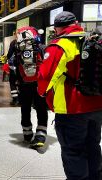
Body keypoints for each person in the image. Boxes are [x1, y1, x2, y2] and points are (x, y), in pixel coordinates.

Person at [38, 11, 102, 180]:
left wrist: (42, 94)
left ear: (57, 28)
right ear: (76, 23)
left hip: (71, 109)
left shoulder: (60, 45)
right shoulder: (92, 41)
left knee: (73, 151)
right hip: (97, 105)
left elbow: (45, 77)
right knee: (93, 146)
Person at [14, 26, 48, 148]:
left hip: (24, 84)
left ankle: (27, 133)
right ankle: (40, 134)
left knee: (25, 108)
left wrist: (17, 83)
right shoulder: (42, 47)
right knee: (41, 108)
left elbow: (15, 68)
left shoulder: (18, 49)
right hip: (40, 83)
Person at [7, 32, 19, 105]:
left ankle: (15, 99)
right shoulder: (30, 42)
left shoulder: (14, 42)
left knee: (12, 82)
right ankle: (22, 99)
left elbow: (9, 54)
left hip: (15, 66)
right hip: (25, 67)